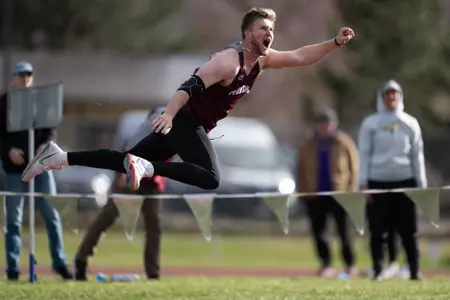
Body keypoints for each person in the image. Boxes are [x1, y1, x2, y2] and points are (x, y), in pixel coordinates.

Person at [21, 8, 355, 202]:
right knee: (210, 178)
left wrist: (335, 43)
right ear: (246, 32)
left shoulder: (263, 61)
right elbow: (188, 85)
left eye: (272, 29)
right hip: (183, 120)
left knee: (126, 162)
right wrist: (167, 114)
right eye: (263, 29)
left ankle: (60, 156)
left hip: (186, 123)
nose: (270, 34)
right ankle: (146, 168)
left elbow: (300, 56)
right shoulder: (229, 60)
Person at [73, 107, 168, 281]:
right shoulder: (163, 115)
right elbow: (136, 141)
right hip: (130, 167)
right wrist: (125, 171)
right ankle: (81, 261)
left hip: (152, 178)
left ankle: (153, 273)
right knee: (108, 216)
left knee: (154, 222)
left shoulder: (194, 123)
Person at [0, 62, 72, 280]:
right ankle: (13, 267)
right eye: (21, 76)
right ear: (13, 78)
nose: (25, 79)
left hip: (41, 167)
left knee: (52, 214)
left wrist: (46, 144)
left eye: (28, 76)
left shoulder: (40, 101)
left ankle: (59, 262)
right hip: (15, 170)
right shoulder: (3, 103)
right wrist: (8, 150)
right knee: (14, 219)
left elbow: (51, 128)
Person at [358, 79, 427, 281]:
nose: (391, 97)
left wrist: (420, 182)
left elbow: (417, 153)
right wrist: (363, 183)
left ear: (399, 96)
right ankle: (378, 270)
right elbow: (364, 153)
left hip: (405, 182)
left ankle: (414, 272)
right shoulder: (370, 124)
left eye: (394, 94)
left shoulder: (410, 123)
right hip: (377, 182)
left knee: (409, 231)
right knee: (378, 231)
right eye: (387, 94)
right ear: (381, 97)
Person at [297, 109, 359, 278]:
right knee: (319, 232)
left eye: (328, 123)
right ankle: (326, 264)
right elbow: (300, 170)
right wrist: (303, 192)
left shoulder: (344, 142)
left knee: (344, 231)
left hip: (339, 194)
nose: (325, 127)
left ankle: (350, 264)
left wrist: (350, 190)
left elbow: (354, 167)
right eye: (322, 123)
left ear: (334, 124)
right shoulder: (307, 145)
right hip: (315, 194)